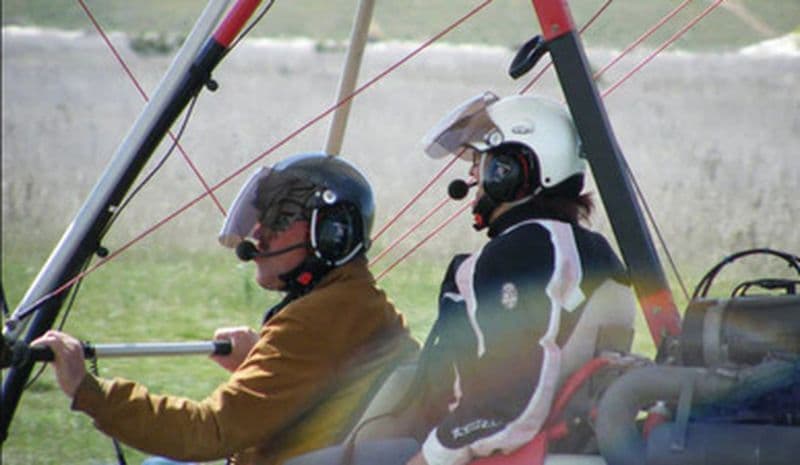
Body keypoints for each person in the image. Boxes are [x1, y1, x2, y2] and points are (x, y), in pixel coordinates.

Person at [32, 153, 419, 465]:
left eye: (279, 219)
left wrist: (89, 390)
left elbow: (210, 432)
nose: (257, 235)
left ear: (331, 233)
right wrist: (260, 360)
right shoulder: (359, 306)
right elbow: (329, 393)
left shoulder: (316, 320)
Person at [406, 93, 636, 465]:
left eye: (481, 163)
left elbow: (510, 393)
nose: (471, 178)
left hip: (466, 448)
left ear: (510, 170)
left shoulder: (523, 249)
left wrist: (430, 456)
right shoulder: (584, 248)